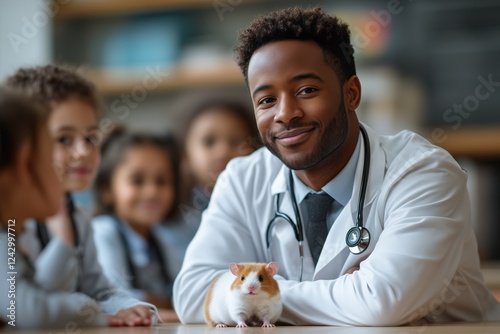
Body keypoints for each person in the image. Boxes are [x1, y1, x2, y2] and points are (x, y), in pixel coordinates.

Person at [173, 7, 500, 326]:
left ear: (351, 93)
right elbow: (190, 294)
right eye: (267, 100)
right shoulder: (243, 179)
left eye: (306, 90)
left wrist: (254, 292)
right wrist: (348, 293)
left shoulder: (423, 173)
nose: (285, 114)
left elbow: (381, 302)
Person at [5, 65, 156, 327]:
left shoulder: (77, 217)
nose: (83, 151)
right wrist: (90, 310)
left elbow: (98, 290)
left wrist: (135, 308)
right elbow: (28, 301)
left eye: (91, 138)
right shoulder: (12, 223)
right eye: (64, 139)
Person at [166, 93, 260, 276]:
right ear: (185, 156)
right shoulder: (174, 218)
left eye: (235, 142)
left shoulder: (264, 206)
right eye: (209, 142)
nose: (222, 151)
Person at [92, 129, 180, 322]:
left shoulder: (162, 238)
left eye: (162, 181)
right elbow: (112, 298)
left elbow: (181, 291)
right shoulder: (102, 231)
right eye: (137, 181)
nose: (151, 192)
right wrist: (161, 304)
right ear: (107, 189)